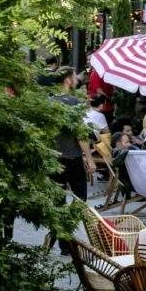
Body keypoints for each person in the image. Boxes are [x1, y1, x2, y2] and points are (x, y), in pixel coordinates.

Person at [52, 69, 95, 200]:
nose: (77, 80)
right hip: (72, 158)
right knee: (80, 199)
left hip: (54, 158)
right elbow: (80, 133)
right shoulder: (73, 102)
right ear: (67, 80)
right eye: (74, 77)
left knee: (57, 201)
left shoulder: (49, 101)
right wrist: (89, 158)